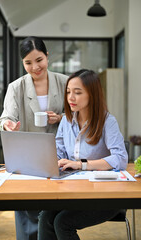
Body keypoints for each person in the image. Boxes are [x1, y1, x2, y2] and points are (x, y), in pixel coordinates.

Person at [38, 69, 128, 240]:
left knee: (62, 223)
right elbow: (59, 150)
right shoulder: (66, 119)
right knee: (46, 216)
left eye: (77, 93)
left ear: (92, 95)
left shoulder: (107, 121)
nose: (71, 97)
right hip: (76, 191)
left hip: (106, 196)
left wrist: (82, 165)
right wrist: (52, 161)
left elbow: (121, 158)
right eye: (68, 92)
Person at [0, 36, 68, 240]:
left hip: (59, 157)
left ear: (47, 56)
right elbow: (5, 118)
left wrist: (61, 117)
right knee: (27, 210)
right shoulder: (16, 87)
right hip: (26, 158)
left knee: (53, 212)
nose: (35, 67)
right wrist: (7, 124)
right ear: (22, 63)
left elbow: (79, 115)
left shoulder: (64, 82)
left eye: (39, 60)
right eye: (28, 63)